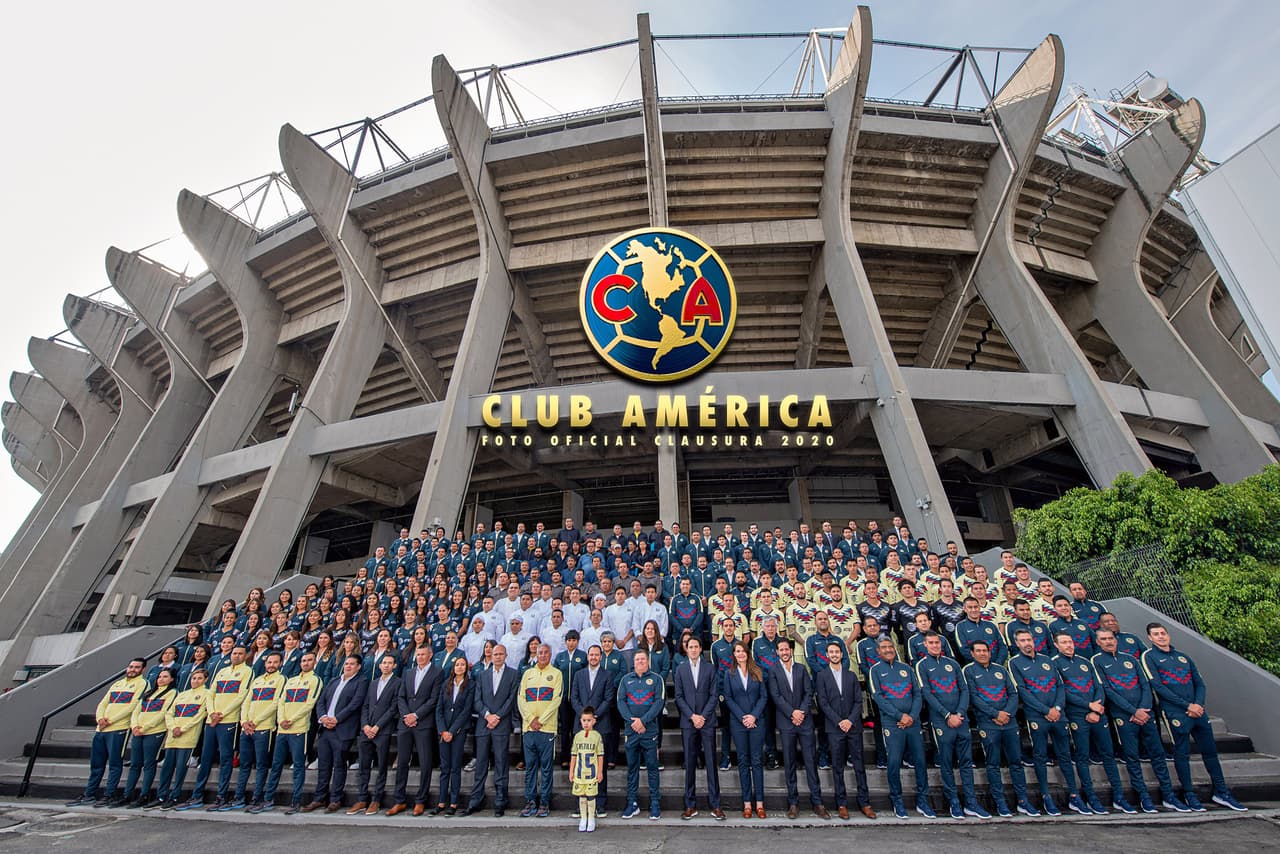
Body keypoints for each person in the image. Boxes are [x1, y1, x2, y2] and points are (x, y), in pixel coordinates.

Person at [1141, 622, 1248, 812]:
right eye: (1156, 634)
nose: (1161, 636)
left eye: (1163, 633)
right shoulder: (1149, 657)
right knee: (1182, 753)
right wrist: (1187, 706)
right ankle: (1189, 793)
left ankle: (1221, 791)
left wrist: (1198, 704)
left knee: (1210, 752)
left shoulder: (1183, 657)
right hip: (1175, 712)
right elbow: (1158, 687)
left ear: (1168, 635)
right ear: (1150, 638)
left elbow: (1200, 683)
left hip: (1198, 711)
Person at [1092, 627, 1182, 813]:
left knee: (1158, 754)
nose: (1108, 641)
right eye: (1104, 639)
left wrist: (1144, 708)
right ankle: (1143, 796)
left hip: (1145, 713)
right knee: (1132, 757)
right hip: (1124, 716)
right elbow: (1107, 690)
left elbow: (1145, 685)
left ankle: (1168, 795)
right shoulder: (1097, 661)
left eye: (1111, 638)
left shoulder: (1131, 659)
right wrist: (1133, 711)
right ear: (1098, 642)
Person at [1051, 631, 1132, 814]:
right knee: (1082, 757)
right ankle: (1090, 797)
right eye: (1064, 642)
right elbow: (1063, 691)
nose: (1069, 645)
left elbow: (1099, 686)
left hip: (1098, 713)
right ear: (1056, 645)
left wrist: (1096, 707)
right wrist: (1088, 706)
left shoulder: (1085, 662)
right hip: (1078, 716)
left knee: (1108, 754)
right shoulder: (1054, 663)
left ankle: (1119, 796)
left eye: (1070, 641)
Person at [914, 632, 990, 819]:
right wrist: (947, 715)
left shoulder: (953, 664)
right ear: (925, 645)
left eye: (937, 642)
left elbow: (964, 689)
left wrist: (960, 713)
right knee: (946, 763)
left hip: (960, 719)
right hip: (942, 721)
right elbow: (927, 693)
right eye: (931, 643)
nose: (935, 645)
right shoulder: (922, 665)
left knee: (966, 762)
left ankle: (971, 802)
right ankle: (953, 802)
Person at [961, 640, 1038, 817]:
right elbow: (974, 697)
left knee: (1016, 762)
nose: (982, 653)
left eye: (985, 650)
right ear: (972, 654)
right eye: (978, 651)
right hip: (988, 723)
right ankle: (1000, 802)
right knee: (993, 764)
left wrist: (1007, 713)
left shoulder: (1001, 670)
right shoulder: (969, 671)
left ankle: (1023, 801)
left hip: (1009, 722)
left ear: (990, 652)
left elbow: (1013, 693)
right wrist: (995, 714)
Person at [1007, 628, 1074, 816]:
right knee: (1040, 755)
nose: (1027, 643)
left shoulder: (1047, 660)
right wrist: (1045, 710)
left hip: (1058, 714)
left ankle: (1074, 795)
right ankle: (1046, 796)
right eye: (1022, 640)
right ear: (1017, 643)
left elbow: (1060, 686)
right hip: (1037, 716)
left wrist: (1057, 708)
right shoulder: (1014, 662)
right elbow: (1022, 691)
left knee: (1065, 755)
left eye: (1029, 639)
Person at [177, 644, 252, 811]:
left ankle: (221, 796)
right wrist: (211, 713)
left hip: (228, 721)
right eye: (234, 653)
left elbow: (242, 695)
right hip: (212, 721)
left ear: (245, 656)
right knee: (205, 758)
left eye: (240, 654)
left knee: (225, 759)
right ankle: (197, 795)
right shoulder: (222, 671)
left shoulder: (247, 671)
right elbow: (211, 693)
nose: (236, 656)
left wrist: (222, 714)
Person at [868, 637, 934, 819]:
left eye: (891, 646)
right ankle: (897, 800)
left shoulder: (907, 669)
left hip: (913, 723)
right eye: (884, 647)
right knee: (894, 762)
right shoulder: (875, 670)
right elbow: (878, 697)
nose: (888, 650)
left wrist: (911, 716)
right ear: (878, 651)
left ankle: (923, 800)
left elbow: (917, 694)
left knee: (920, 761)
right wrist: (899, 716)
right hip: (893, 724)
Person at [68, 657, 148, 807]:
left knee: (114, 764)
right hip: (101, 729)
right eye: (131, 666)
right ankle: (89, 794)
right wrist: (100, 719)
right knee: (96, 764)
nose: (133, 670)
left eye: (137, 667)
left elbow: (133, 706)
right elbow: (103, 703)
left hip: (119, 729)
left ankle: (109, 795)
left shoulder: (143, 683)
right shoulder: (117, 683)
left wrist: (110, 721)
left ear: (143, 669)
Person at [252, 650, 322, 814]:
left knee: (298, 766)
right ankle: (268, 799)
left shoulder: (315, 680)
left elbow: (309, 704)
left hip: (299, 729)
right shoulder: (291, 681)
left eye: (309, 660)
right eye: (303, 660)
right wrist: (282, 719)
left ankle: (296, 801)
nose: (305, 663)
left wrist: (291, 719)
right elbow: (281, 702)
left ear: (314, 663)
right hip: (282, 730)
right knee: (276, 765)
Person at [767, 637, 826, 819]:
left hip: (805, 721)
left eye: (787, 649)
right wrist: (792, 713)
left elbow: (809, 692)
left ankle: (818, 802)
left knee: (810, 762)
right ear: (777, 652)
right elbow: (775, 695)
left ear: (791, 650)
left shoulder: (801, 668)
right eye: (781, 650)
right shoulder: (773, 671)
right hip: (786, 723)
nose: (784, 652)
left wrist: (801, 712)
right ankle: (793, 803)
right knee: (789, 763)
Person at [815, 642, 875, 820]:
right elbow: (823, 702)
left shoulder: (851, 675)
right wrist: (839, 721)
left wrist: (849, 720)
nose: (834, 654)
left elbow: (858, 700)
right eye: (831, 652)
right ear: (827, 655)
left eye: (837, 652)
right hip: (835, 728)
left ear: (842, 654)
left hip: (853, 726)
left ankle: (865, 803)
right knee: (837, 767)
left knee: (859, 766)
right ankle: (841, 803)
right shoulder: (822, 676)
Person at [304, 654, 367, 813]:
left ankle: (335, 799)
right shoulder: (334, 681)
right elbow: (321, 701)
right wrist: (323, 717)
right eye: (346, 663)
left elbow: (355, 704)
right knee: (323, 765)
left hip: (342, 729)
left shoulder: (361, 681)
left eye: (352, 664)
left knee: (339, 765)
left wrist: (337, 719)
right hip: (326, 729)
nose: (348, 666)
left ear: (358, 667)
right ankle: (319, 798)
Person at [388, 643, 443, 816]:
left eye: (423, 654)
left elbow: (433, 699)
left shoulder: (437, 672)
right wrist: (407, 715)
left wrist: (416, 715)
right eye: (418, 654)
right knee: (402, 762)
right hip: (405, 723)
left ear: (430, 655)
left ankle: (421, 800)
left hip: (423, 723)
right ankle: (399, 800)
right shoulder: (408, 672)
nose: (419, 657)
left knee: (425, 762)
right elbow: (401, 696)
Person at [673, 636, 723, 820]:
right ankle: (690, 805)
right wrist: (692, 716)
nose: (693, 649)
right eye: (690, 647)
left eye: (696, 646)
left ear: (701, 649)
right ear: (686, 649)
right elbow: (678, 697)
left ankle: (715, 805)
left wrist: (703, 716)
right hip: (689, 722)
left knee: (711, 762)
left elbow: (714, 695)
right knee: (690, 763)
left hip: (706, 721)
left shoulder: (710, 668)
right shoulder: (680, 669)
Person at [465, 642, 518, 816]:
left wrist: (497, 716)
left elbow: (511, 699)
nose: (498, 657)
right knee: (481, 764)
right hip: (484, 724)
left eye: (501, 654)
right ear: (491, 656)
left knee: (501, 763)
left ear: (506, 656)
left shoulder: (513, 674)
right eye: (495, 654)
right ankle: (476, 800)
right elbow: (477, 699)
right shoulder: (483, 675)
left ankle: (501, 801)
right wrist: (488, 715)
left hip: (501, 724)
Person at [230, 650, 286, 810]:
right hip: (246, 729)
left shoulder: (281, 679)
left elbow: (275, 703)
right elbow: (246, 702)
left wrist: (255, 722)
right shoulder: (257, 680)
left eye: (275, 662)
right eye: (269, 662)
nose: (271, 665)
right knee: (244, 765)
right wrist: (244, 722)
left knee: (261, 765)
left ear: (280, 664)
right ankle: (239, 797)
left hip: (264, 728)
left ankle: (257, 797)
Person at [349, 653, 400, 815]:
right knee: (364, 766)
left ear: (394, 666)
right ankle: (362, 798)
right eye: (384, 662)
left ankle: (376, 799)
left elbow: (393, 708)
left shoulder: (397, 683)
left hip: (382, 730)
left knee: (381, 767)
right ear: (379, 665)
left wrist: (377, 726)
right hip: (367, 730)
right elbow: (365, 705)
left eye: (389, 663)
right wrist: (365, 725)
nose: (386, 665)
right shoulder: (373, 683)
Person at [617, 649, 664, 820]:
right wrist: (633, 722)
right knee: (632, 768)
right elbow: (621, 702)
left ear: (648, 661)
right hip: (631, 731)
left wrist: (643, 721)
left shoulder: (656, 679)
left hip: (649, 731)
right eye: (637, 659)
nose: (640, 662)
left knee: (652, 768)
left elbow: (659, 702)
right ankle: (632, 803)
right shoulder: (625, 680)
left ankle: (655, 803)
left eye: (643, 659)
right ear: (633, 662)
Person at [518, 641, 563, 817]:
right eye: (540, 652)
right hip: (529, 729)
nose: (542, 655)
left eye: (545, 652)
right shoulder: (527, 674)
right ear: (535, 655)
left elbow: (556, 699)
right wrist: (531, 719)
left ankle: (544, 802)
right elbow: (521, 698)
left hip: (547, 729)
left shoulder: (556, 674)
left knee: (546, 768)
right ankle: (530, 801)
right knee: (530, 767)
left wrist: (541, 721)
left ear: (550, 655)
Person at [571, 643, 616, 815]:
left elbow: (608, 698)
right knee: (580, 765)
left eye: (597, 655)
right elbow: (574, 697)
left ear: (601, 657)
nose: (594, 657)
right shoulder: (579, 674)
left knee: (599, 766)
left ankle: (600, 802)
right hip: (581, 726)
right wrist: (585, 718)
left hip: (600, 724)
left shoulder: (607, 675)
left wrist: (594, 716)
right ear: (587, 656)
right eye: (591, 655)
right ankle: (581, 803)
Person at [121, 668, 177, 807]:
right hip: (138, 731)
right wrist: (135, 726)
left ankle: (144, 795)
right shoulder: (149, 693)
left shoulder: (172, 693)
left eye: (165, 677)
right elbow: (136, 711)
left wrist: (145, 728)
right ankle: (127, 794)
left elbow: (163, 713)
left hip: (154, 732)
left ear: (172, 679)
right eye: (159, 677)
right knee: (135, 764)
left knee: (149, 764)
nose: (161, 679)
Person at [724, 640, 767, 818]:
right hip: (738, 723)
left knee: (756, 761)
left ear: (747, 653)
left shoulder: (757, 671)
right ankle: (747, 803)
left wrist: (753, 716)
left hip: (756, 722)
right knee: (743, 761)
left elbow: (763, 697)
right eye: (737, 651)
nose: (740, 654)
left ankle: (760, 803)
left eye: (743, 651)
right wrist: (743, 717)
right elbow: (728, 698)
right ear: (734, 655)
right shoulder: (729, 674)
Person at [435, 655, 475, 815]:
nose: (459, 667)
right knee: (444, 767)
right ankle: (441, 801)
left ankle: (453, 802)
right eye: (457, 664)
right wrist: (443, 730)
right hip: (444, 732)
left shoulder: (470, 685)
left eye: (462, 664)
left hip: (458, 731)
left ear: (466, 668)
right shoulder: (446, 684)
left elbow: (466, 710)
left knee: (455, 767)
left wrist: (452, 731)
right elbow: (439, 709)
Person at [570, 707, 605, 832]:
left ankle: (591, 818)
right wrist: (571, 771)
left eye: (589, 720)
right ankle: (583, 818)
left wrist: (600, 772)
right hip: (580, 773)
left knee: (591, 796)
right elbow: (574, 755)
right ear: (580, 721)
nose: (586, 723)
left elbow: (600, 755)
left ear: (594, 721)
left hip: (591, 773)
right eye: (584, 720)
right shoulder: (577, 736)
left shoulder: (597, 736)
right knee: (582, 796)